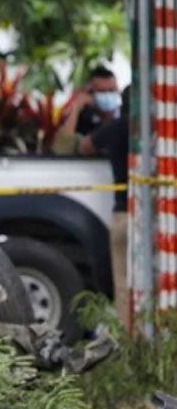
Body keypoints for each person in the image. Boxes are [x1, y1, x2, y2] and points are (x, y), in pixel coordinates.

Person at [78, 85, 131, 326]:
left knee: (122, 283)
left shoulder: (117, 127)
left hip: (123, 215)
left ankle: (129, 338)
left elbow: (84, 146)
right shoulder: (161, 131)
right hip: (157, 218)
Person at [56, 65, 121, 153]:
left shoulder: (126, 116)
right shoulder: (82, 118)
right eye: (102, 91)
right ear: (90, 93)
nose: (107, 96)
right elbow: (62, 149)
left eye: (111, 90)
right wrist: (76, 107)